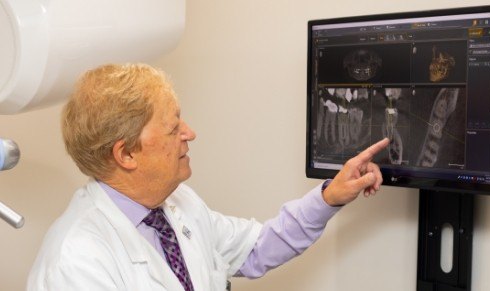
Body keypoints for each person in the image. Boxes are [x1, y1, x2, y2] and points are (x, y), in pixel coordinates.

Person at [27, 63, 390, 291]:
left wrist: (330, 197)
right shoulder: (77, 262)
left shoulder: (176, 205)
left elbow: (256, 247)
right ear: (126, 154)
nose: (190, 133)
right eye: (173, 128)